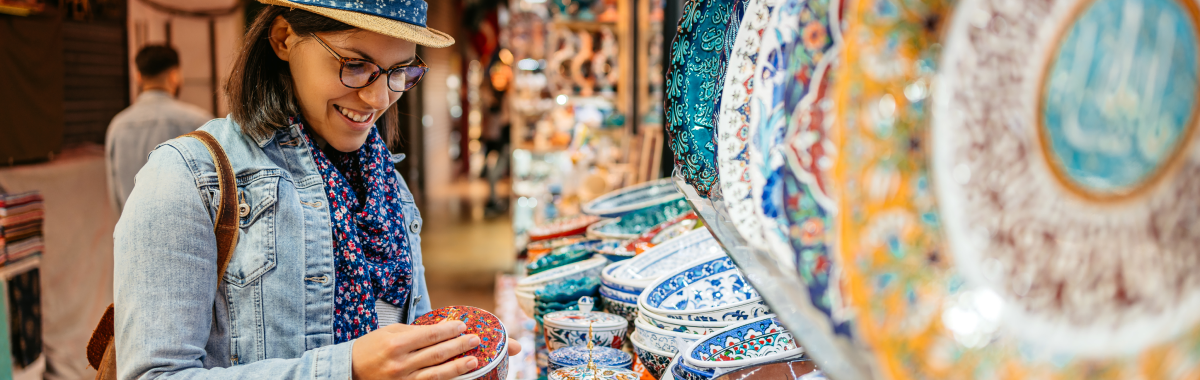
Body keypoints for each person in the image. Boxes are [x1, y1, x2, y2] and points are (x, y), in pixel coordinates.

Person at [112, 1, 519, 379]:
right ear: (284, 38)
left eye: (400, 72)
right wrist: (348, 368)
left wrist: (453, 355)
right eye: (355, 64)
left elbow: (404, 345)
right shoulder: (189, 176)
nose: (379, 98)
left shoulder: (385, 182)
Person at [104, 45, 211, 214]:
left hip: (133, 235)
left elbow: (116, 194)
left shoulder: (117, 126)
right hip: (188, 236)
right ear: (174, 76)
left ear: (138, 77)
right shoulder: (199, 122)